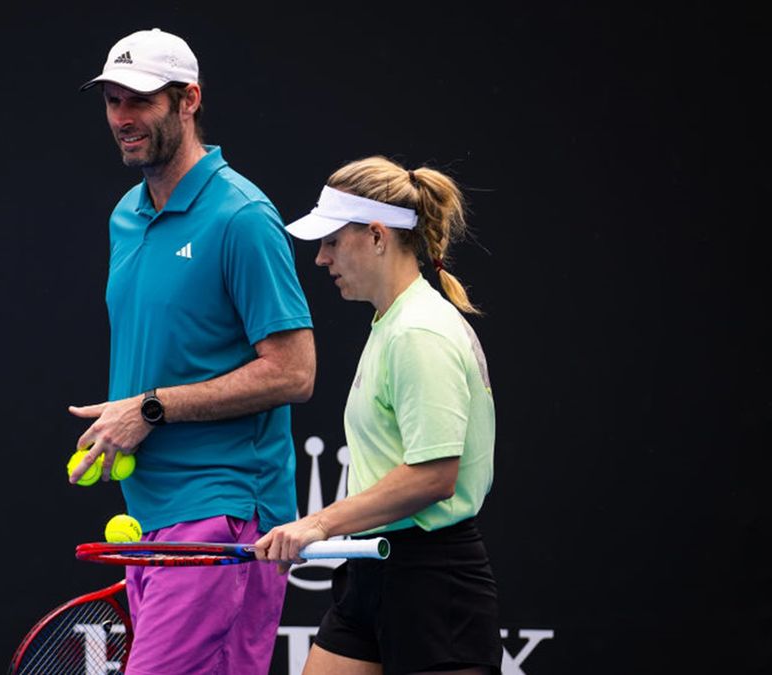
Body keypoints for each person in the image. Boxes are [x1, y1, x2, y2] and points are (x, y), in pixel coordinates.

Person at [67, 28, 316, 675]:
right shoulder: (126, 215)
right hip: (150, 517)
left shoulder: (241, 216)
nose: (123, 119)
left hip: (226, 515)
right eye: (113, 101)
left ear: (188, 100)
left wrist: (148, 409)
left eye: (140, 101)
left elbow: (295, 371)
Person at [254, 157, 501, 675]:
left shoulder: (419, 332)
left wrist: (319, 524)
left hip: (434, 585)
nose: (320, 259)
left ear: (376, 236)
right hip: (374, 569)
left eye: (332, 242)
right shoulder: (391, 323)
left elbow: (434, 476)